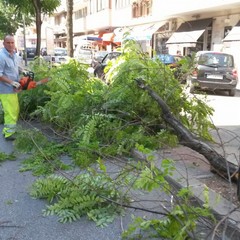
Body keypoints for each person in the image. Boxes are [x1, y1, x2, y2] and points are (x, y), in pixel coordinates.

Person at [0, 34, 21, 141]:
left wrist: (23, 73)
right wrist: (13, 82)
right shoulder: (1, 56)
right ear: (4, 43)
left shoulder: (13, 55)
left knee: (14, 110)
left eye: (12, 42)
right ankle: (9, 134)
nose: (10, 44)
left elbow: (15, 69)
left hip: (13, 89)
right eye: (8, 42)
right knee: (11, 111)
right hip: (6, 89)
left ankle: (7, 130)